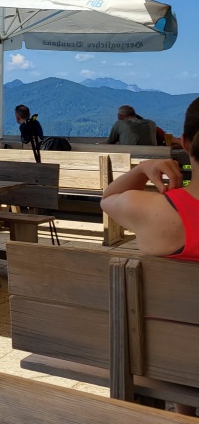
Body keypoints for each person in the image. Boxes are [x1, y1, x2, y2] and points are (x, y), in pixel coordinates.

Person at [100, 96, 199, 416]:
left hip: (167, 357)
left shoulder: (154, 211)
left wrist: (143, 168)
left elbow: (108, 198)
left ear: (184, 142)